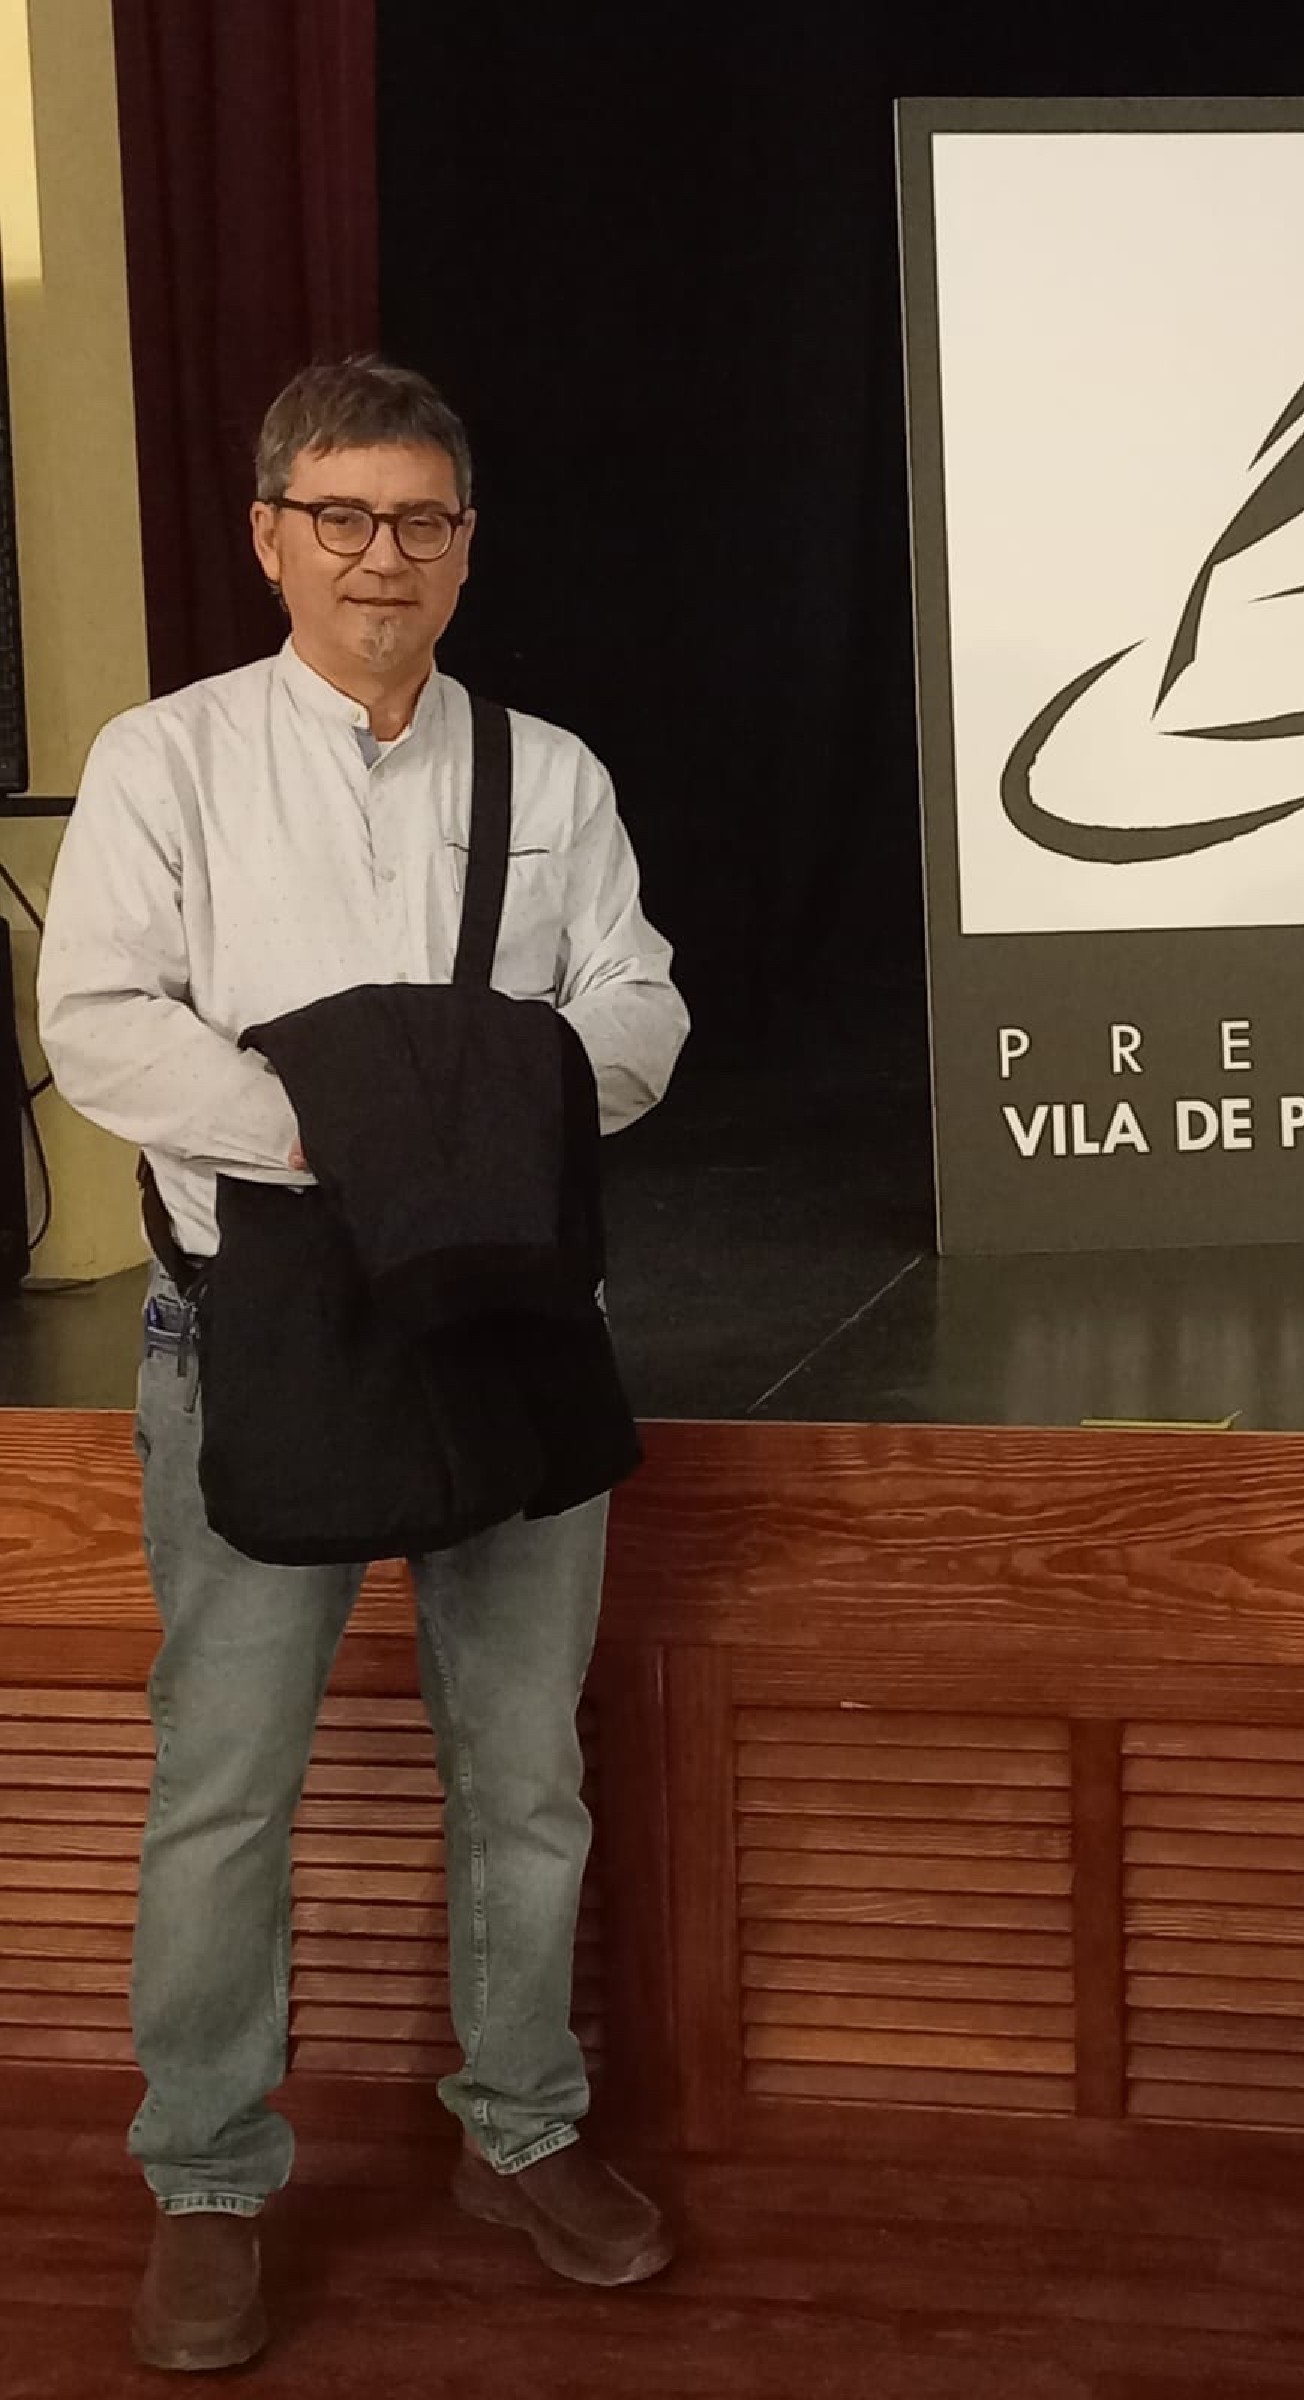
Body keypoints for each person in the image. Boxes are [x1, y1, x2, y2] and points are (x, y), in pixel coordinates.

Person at [36, 356, 689, 2374]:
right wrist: (370, 1132)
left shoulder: (550, 775)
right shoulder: (167, 758)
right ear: (270, 536)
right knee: (224, 1785)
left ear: (466, 548)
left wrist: (467, 1133)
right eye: (342, 516)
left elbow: (640, 1008)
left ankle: (524, 2129)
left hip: (510, 1321)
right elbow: (100, 1023)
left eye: (420, 521)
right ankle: (206, 2177)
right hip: (255, 1325)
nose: (380, 556)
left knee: (529, 1774)